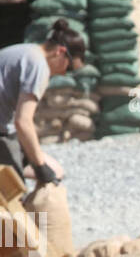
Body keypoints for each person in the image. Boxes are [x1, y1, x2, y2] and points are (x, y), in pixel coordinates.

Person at [0, 20, 85, 184]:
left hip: (5, 132)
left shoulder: (27, 52)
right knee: (14, 196)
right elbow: (23, 122)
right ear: (60, 52)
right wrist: (40, 166)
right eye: (68, 68)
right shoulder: (38, 65)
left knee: (56, 170)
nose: (63, 74)